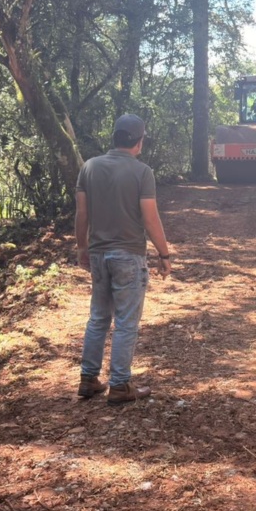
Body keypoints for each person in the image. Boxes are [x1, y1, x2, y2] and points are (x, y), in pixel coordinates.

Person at [75, 114, 172, 405]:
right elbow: (150, 217)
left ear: (115, 137)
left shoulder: (89, 167)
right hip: (128, 256)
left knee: (98, 318)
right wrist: (164, 253)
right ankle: (119, 385)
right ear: (139, 142)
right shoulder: (142, 172)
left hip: (98, 254)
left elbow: (82, 213)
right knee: (126, 322)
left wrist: (82, 248)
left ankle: (88, 378)